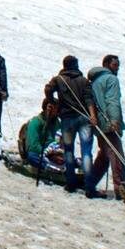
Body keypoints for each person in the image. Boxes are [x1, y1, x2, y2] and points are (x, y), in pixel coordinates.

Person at [43, 56, 96, 192]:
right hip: (84, 118)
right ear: (76, 65)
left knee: (68, 151)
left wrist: (52, 101)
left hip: (67, 119)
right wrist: (93, 116)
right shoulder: (84, 81)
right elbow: (89, 99)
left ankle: (70, 182)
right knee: (86, 152)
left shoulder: (58, 80)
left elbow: (48, 89)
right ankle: (90, 186)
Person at [82, 55, 123, 197]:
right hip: (109, 123)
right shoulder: (111, 79)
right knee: (117, 156)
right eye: (114, 65)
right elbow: (112, 100)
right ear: (106, 64)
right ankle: (121, 189)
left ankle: (89, 183)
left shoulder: (94, 81)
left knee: (104, 156)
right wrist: (115, 120)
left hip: (98, 124)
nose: (117, 68)